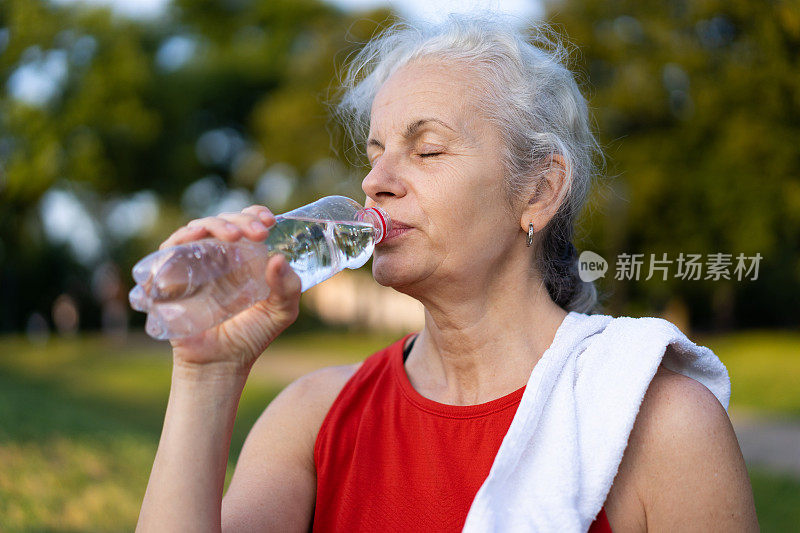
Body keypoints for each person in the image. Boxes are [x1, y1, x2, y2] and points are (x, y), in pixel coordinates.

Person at [136, 14, 758, 532]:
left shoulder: (660, 425)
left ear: (539, 191)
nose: (375, 182)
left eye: (427, 149)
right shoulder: (314, 419)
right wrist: (206, 377)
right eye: (375, 153)